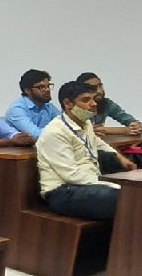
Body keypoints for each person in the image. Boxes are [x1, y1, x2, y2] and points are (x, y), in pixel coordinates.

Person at [36, 81, 136, 220]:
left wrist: (119, 156)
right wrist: (111, 184)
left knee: (134, 194)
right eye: (86, 100)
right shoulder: (55, 132)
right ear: (68, 104)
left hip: (86, 183)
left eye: (93, 99)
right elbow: (72, 175)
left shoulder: (85, 122)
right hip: (63, 191)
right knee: (120, 198)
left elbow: (97, 142)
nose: (93, 104)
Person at [76, 72, 142, 135]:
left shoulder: (107, 104)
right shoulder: (75, 105)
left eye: (100, 86)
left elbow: (128, 119)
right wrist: (124, 130)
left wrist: (137, 126)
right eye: (92, 88)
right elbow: (86, 130)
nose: (99, 91)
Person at [5, 69, 57, 139]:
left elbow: (67, 124)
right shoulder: (17, 109)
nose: (47, 90)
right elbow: (35, 135)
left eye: (48, 86)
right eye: (41, 87)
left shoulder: (48, 106)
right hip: (20, 146)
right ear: (28, 90)